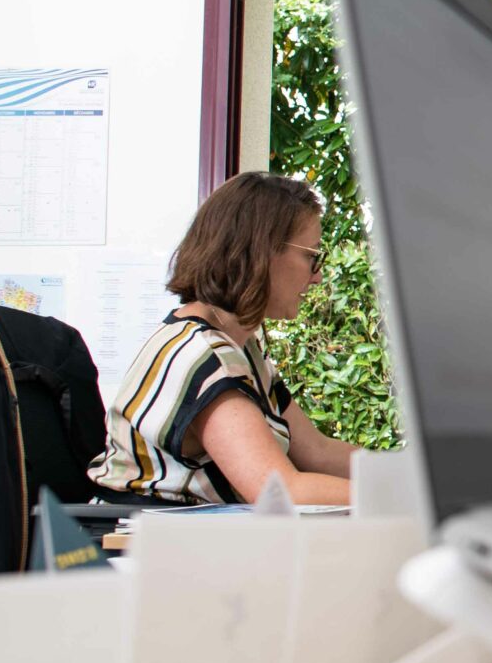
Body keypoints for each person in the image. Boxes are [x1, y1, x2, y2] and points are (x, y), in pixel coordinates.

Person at [93, 172, 356, 506]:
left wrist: (422, 472)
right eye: (311, 256)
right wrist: (417, 495)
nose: (317, 276)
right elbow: (279, 492)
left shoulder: (240, 348)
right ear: (262, 252)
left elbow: (318, 453)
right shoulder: (199, 354)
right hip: (137, 548)